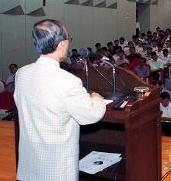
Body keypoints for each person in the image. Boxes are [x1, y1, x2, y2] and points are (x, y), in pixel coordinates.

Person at [14, 19, 106, 181]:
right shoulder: (67, 81)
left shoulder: (22, 74)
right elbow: (92, 114)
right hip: (56, 168)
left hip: (29, 163)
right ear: (62, 44)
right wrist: (96, 98)